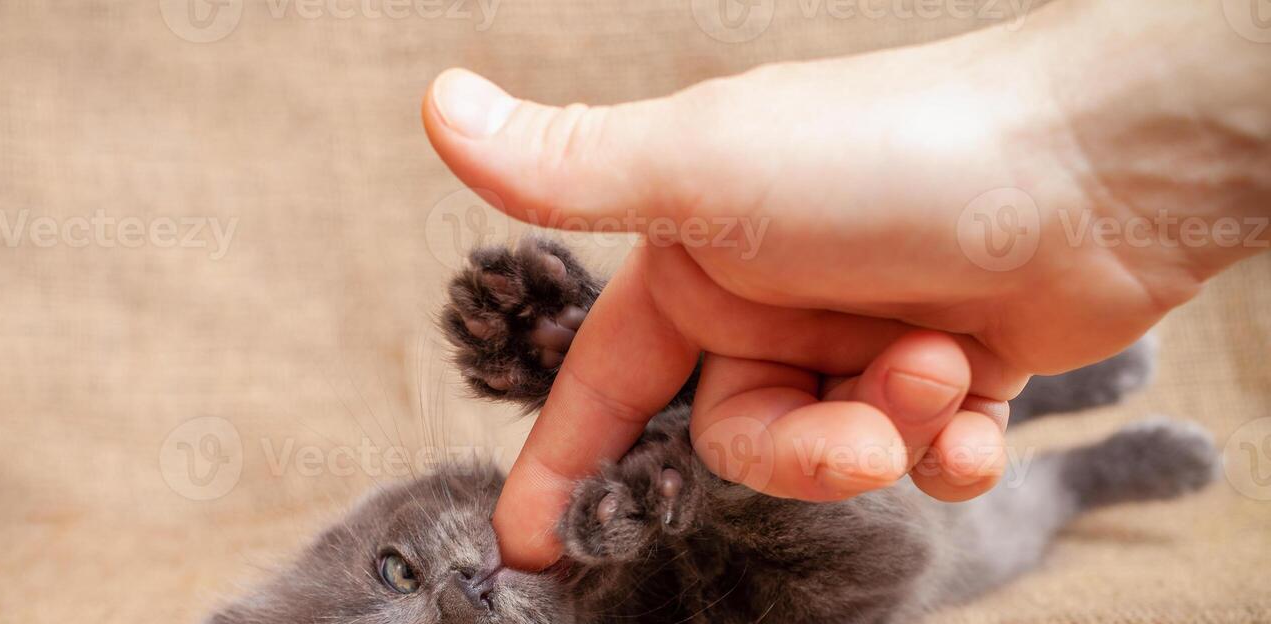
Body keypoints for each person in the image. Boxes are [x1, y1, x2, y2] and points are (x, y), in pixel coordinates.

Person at [421, 0, 1271, 570]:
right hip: (904, 499)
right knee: (953, 477)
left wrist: (1077, 160)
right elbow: (884, 563)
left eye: (398, 573)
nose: (462, 597)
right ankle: (1082, 477)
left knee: (889, 395)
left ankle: (1045, 387)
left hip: (815, 386)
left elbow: (692, 356)